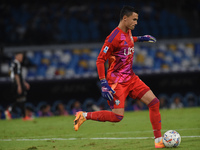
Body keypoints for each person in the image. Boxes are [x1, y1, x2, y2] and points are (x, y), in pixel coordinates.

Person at [74, 6, 165, 148]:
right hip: (117, 82)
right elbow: (100, 60)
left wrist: (140, 38)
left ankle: (158, 141)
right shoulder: (112, 38)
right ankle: (83, 115)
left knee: (154, 103)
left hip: (131, 78)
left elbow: (128, 40)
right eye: (134, 19)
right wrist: (103, 83)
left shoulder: (128, 31)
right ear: (125, 18)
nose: (136, 22)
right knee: (117, 117)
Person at [5, 52, 32, 120]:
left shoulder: (15, 64)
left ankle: (24, 116)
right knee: (21, 99)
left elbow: (18, 75)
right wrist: (19, 86)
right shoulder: (16, 63)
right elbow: (16, 76)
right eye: (20, 56)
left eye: (22, 56)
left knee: (21, 99)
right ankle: (10, 111)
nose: (21, 58)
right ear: (16, 57)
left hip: (17, 83)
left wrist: (25, 83)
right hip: (17, 83)